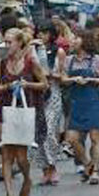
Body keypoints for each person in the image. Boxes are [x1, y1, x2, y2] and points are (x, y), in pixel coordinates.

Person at [0, 28, 48, 196]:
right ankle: (9, 194)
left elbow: (44, 84)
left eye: (10, 42)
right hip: (5, 111)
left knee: (22, 157)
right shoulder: (1, 62)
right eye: (4, 42)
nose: (6, 45)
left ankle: (27, 179)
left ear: (19, 43)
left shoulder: (31, 62)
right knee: (6, 153)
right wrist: (8, 86)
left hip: (24, 110)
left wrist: (27, 84)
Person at [61, 31, 99, 185]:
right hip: (76, 103)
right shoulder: (69, 60)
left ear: (84, 41)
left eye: (76, 38)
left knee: (95, 138)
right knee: (72, 139)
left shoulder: (97, 60)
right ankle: (88, 164)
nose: (73, 41)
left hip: (93, 102)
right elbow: (63, 79)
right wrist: (73, 79)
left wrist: (91, 79)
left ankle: (94, 172)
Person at [34, 22, 66, 185]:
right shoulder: (32, 51)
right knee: (39, 133)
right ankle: (45, 170)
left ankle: (53, 166)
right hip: (37, 95)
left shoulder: (59, 52)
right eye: (40, 32)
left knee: (51, 131)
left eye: (45, 33)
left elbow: (63, 76)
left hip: (52, 95)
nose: (41, 36)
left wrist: (51, 75)